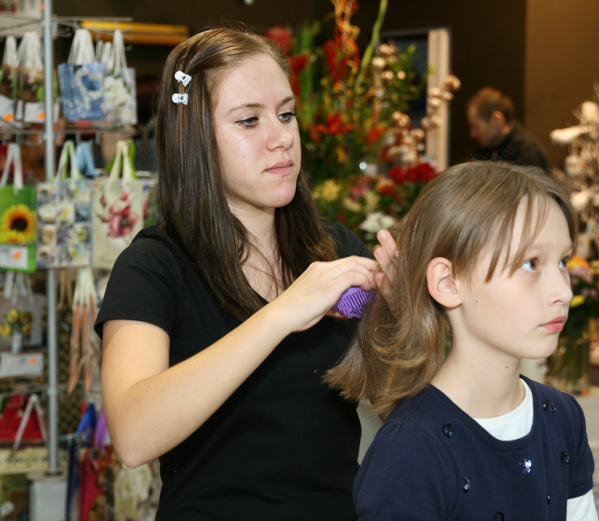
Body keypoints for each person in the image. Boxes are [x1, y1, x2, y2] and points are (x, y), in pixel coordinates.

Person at [96, 26, 396, 521]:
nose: (281, 138)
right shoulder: (154, 267)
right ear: (195, 138)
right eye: (249, 120)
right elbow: (133, 435)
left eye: (285, 114)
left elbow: (392, 401)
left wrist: (406, 316)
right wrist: (282, 313)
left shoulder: (334, 251)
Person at [327, 161, 598, 520]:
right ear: (448, 282)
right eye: (531, 263)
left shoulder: (563, 418)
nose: (563, 291)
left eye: (563, 262)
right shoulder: (409, 451)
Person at [467, 87, 550, 171]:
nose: (472, 134)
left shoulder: (526, 155)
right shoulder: (489, 144)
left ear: (497, 120)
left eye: (476, 126)